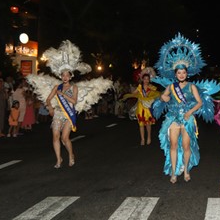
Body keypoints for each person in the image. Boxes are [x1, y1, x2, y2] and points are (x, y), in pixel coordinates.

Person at [26, 40, 112, 168]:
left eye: (67, 75)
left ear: (70, 77)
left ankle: (71, 154)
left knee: (64, 138)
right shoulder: (56, 87)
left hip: (69, 114)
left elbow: (74, 101)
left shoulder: (74, 88)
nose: (65, 77)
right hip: (57, 113)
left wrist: (64, 95)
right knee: (55, 136)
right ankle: (58, 159)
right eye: (63, 75)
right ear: (60, 76)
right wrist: (49, 107)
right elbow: (49, 99)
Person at [151, 33, 220, 184]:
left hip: (188, 118)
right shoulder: (171, 86)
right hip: (173, 118)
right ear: (175, 74)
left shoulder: (192, 86)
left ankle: (187, 170)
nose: (181, 74)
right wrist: (163, 97)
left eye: (183, 72)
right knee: (173, 145)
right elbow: (163, 98)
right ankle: (174, 172)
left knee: (186, 145)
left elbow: (199, 103)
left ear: (186, 73)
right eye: (179, 72)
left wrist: (190, 111)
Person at [123, 69, 160, 145]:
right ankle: (142, 139)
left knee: (148, 123)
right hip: (141, 107)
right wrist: (131, 94)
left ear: (149, 80)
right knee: (141, 123)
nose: (146, 80)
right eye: (145, 79)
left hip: (148, 107)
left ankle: (149, 137)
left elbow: (157, 95)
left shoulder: (152, 87)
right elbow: (134, 93)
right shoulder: (140, 87)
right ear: (142, 79)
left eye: (148, 79)